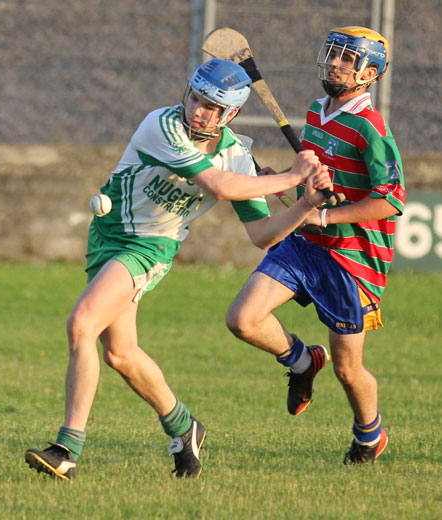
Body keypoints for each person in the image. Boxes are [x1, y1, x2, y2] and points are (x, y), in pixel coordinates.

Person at [24, 57, 332, 480]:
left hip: (149, 248)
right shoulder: (162, 124)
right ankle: (185, 428)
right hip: (107, 239)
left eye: (210, 106)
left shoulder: (236, 157)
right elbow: (218, 187)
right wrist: (293, 178)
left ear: (231, 115)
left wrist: (306, 205)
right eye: (195, 97)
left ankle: (66, 449)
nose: (197, 110)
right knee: (121, 354)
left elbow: (262, 234)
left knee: (82, 324)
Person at [226, 27, 405, 465]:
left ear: (369, 73)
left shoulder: (369, 126)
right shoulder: (316, 111)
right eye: (333, 56)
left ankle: (369, 435)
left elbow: (391, 200)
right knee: (243, 320)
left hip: (352, 261)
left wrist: (326, 215)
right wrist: (284, 184)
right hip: (306, 243)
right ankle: (303, 361)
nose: (335, 64)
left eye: (347, 59)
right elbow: (314, 185)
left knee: (348, 369)